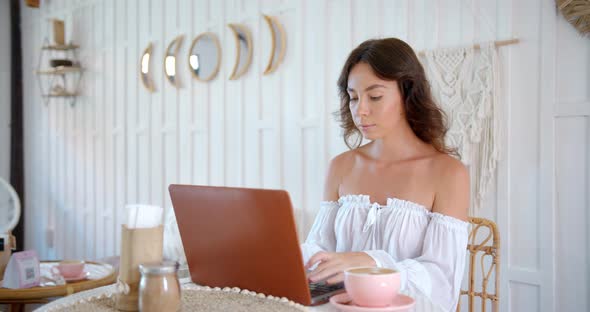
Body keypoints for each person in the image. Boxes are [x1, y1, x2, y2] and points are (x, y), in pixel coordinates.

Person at [301, 38, 469, 312]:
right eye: (353, 97)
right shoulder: (341, 166)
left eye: (375, 96)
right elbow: (320, 251)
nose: (360, 110)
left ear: (408, 93)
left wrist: (371, 261)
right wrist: (287, 254)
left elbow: (441, 283)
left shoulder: (448, 173)